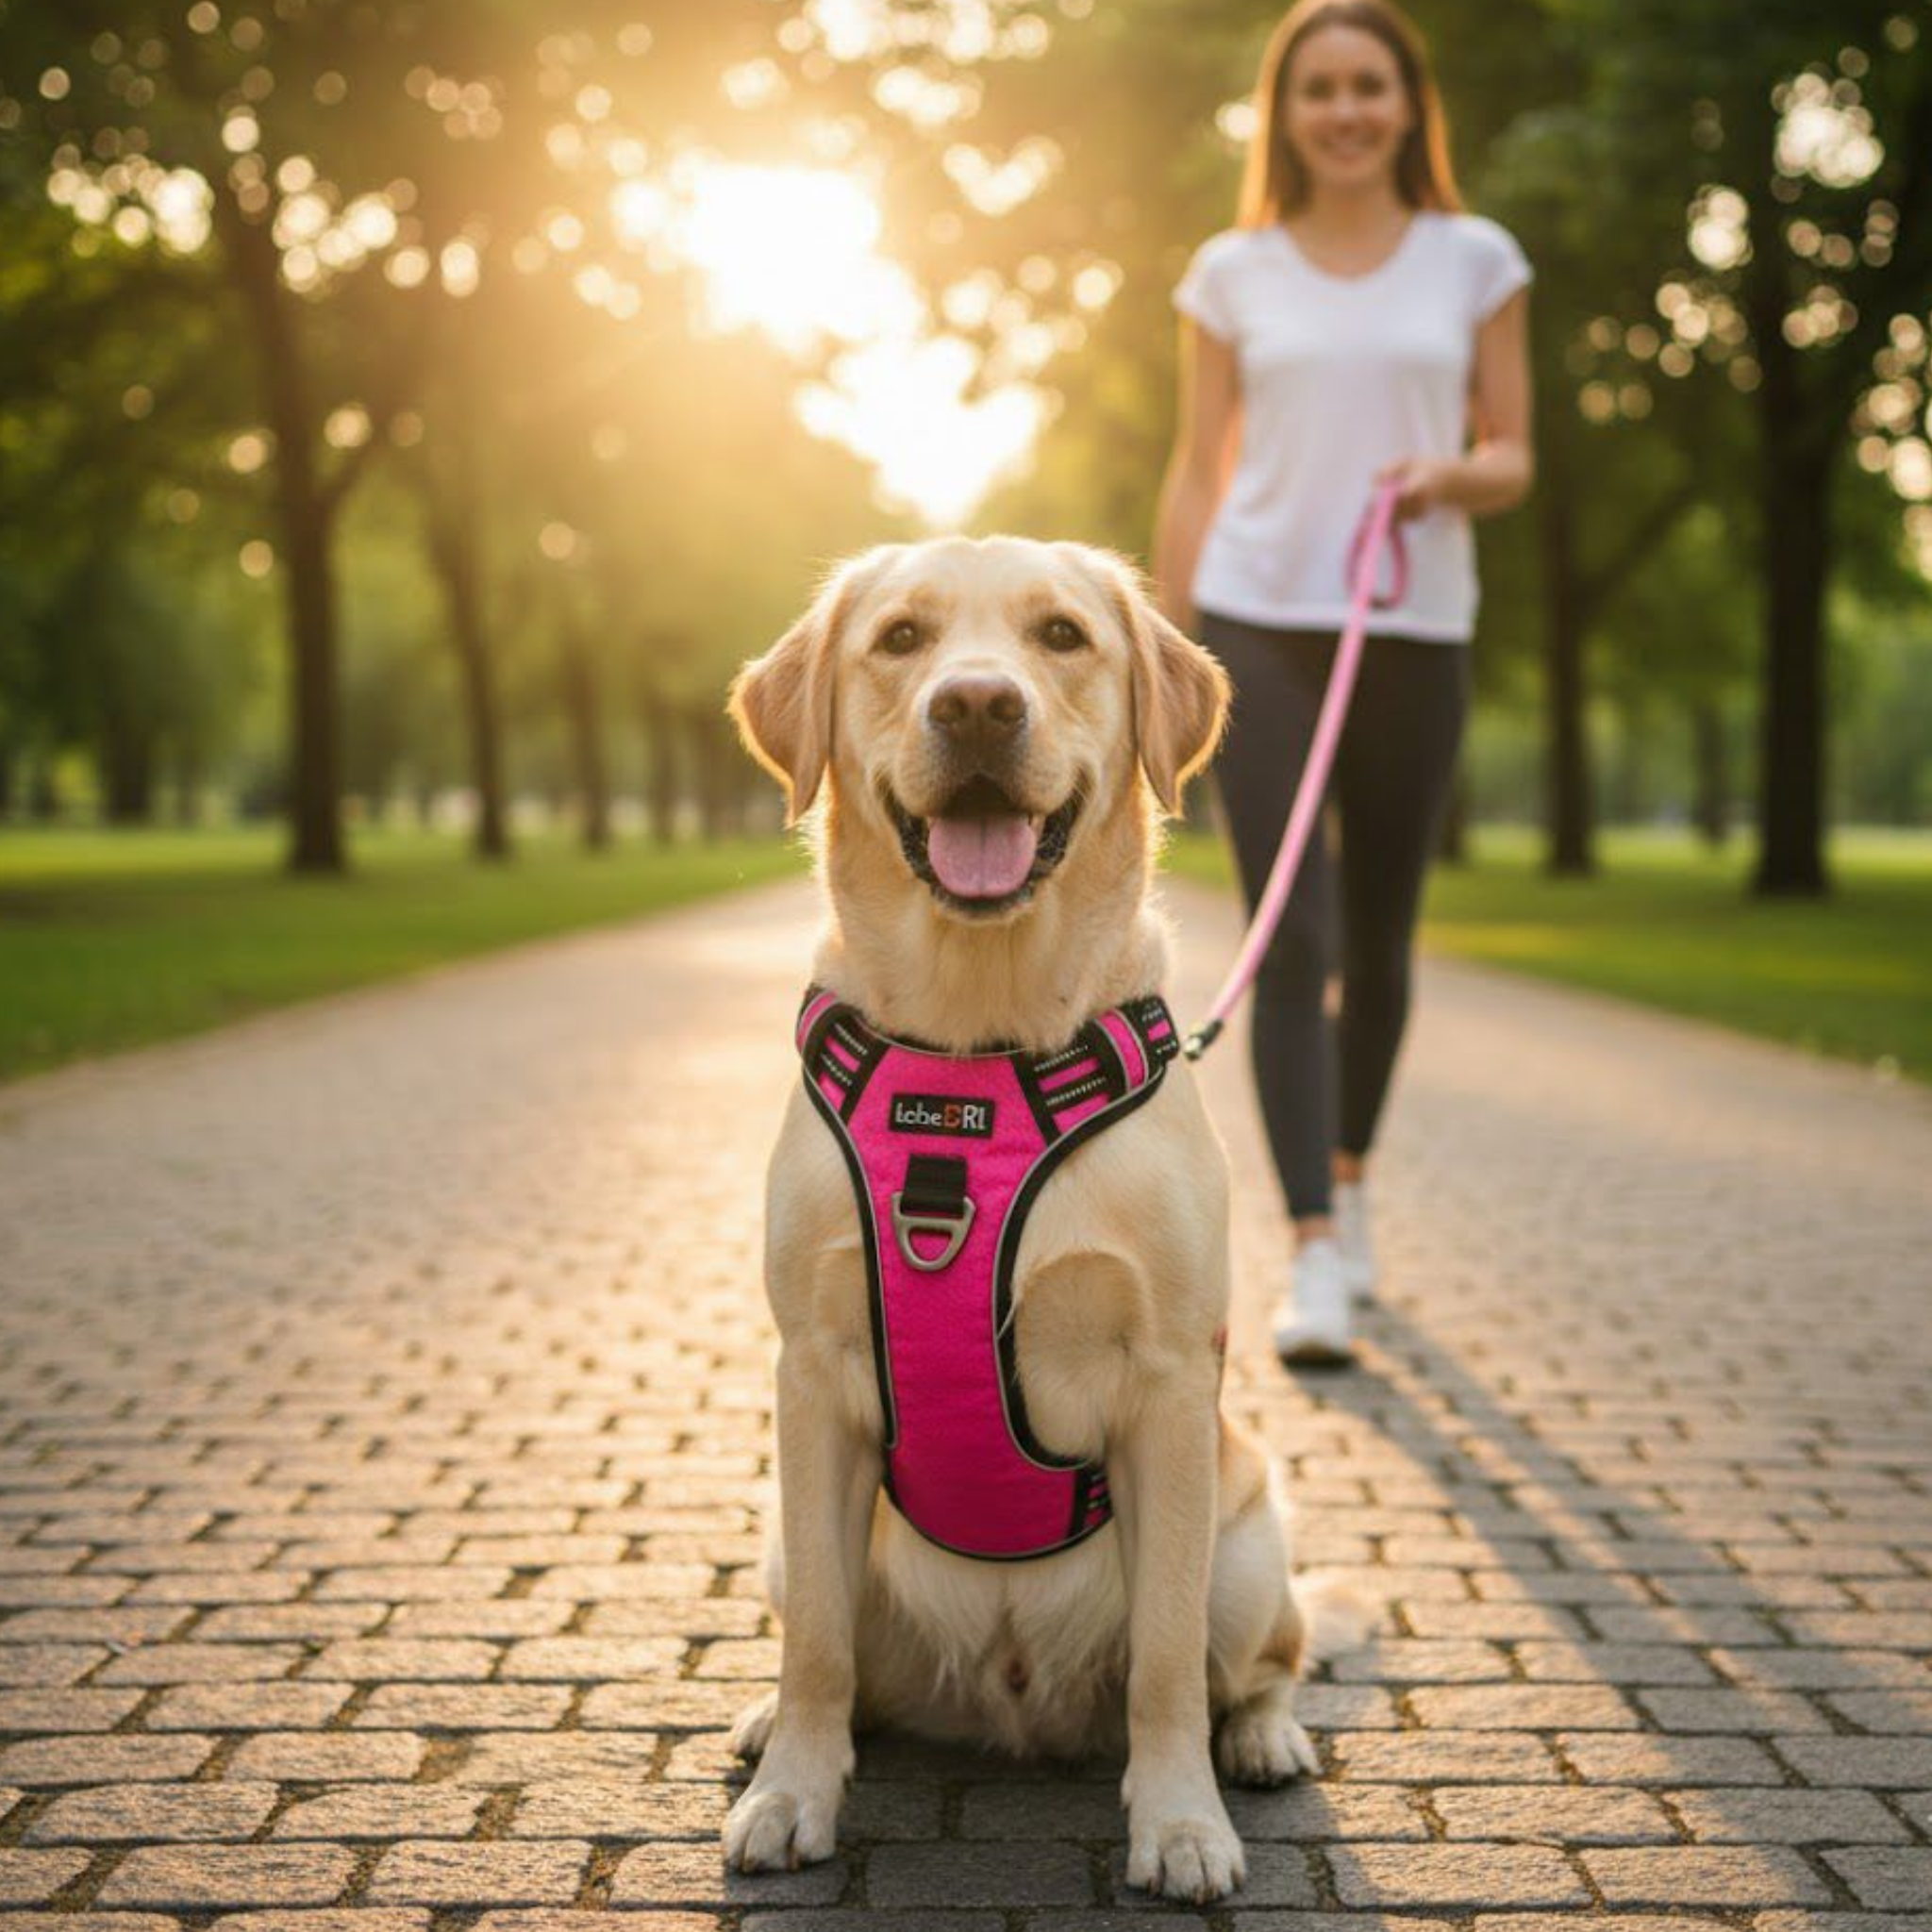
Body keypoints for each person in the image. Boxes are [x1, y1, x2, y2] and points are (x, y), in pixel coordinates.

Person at [1153, 0, 1534, 1365]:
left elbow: (1515, 453)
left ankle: (1354, 1180)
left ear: (1407, 102)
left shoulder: (1473, 258)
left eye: (1371, 84)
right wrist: (1167, 653)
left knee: (1379, 938)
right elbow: (1199, 469)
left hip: (1413, 622)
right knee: (1292, 932)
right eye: (1321, 88)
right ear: (1287, 111)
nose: (1348, 110)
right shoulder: (1232, 272)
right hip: (1260, 615)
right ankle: (1312, 1250)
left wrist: (1449, 475)